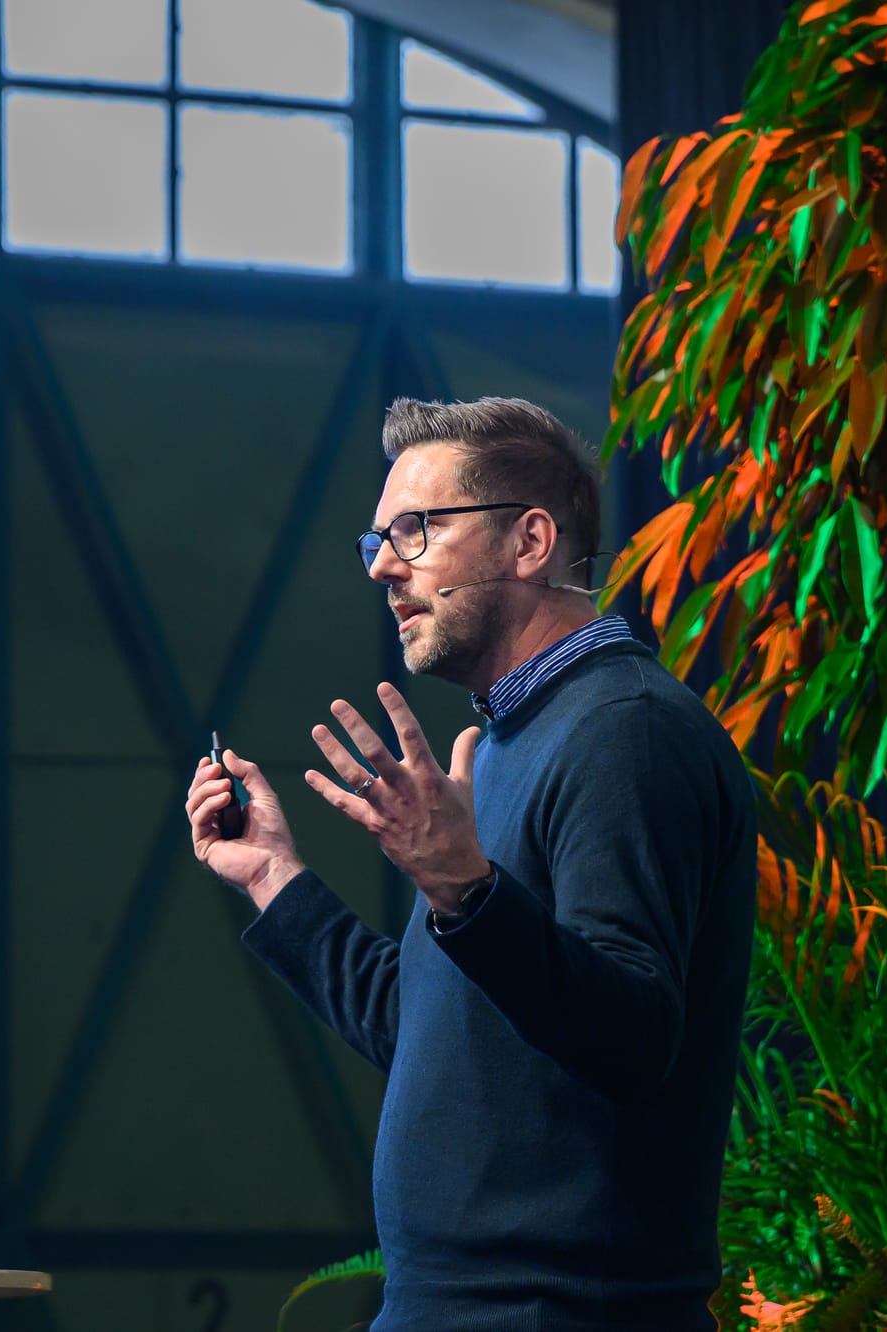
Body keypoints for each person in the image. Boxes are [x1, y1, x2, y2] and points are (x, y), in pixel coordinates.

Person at [185, 396, 757, 1331]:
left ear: (529, 542)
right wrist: (272, 879)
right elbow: (429, 1027)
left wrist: (466, 888)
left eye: (416, 531)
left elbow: (635, 1034)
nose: (385, 567)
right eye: (376, 542)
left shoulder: (625, 733)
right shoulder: (498, 749)